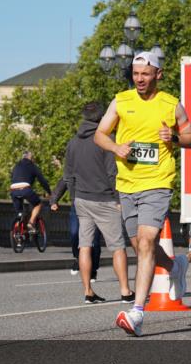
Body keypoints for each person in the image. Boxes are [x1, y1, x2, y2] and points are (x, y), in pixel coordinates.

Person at [96, 51, 191, 337]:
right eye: (136, 73)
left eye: (145, 73)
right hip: (127, 184)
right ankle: (174, 265)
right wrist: (116, 148)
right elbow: (100, 134)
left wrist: (175, 138)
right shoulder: (121, 100)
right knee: (140, 245)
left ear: (158, 75)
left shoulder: (171, 105)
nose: (139, 78)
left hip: (158, 182)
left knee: (147, 242)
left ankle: (137, 312)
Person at [52, 102, 132, 304]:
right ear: (102, 118)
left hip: (81, 200)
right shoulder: (106, 140)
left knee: (84, 246)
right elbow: (112, 173)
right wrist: (118, 199)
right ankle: (125, 291)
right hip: (105, 199)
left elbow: (68, 175)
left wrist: (73, 198)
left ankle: (88, 291)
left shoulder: (72, 143)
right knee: (117, 247)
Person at [50, 126, 102, 286]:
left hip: (96, 204)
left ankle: (93, 269)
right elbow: (63, 182)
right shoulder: (73, 168)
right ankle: (77, 258)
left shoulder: (96, 168)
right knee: (74, 235)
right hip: (77, 206)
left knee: (94, 240)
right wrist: (54, 200)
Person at [9, 151, 52, 231]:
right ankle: (31, 223)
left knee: (20, 213)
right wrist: (49, 192)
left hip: (13, 190)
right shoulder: (32, 166)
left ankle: (17, 228)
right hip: (25, 189)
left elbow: (13, 178)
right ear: (31, 158)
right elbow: (42, 181)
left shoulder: (16, 166)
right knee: (38, 204)